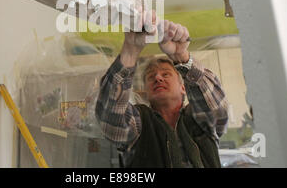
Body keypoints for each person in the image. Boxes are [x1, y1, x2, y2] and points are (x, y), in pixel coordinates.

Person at [95, 12, 229, 168]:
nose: (158, 78)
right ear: (146, 91)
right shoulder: (139, 122)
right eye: (151, 76)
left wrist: (181, 56)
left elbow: (217, 109)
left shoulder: (199, 121)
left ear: (183, 87)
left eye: (166, 74)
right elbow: (111, 119)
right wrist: (130, 49)